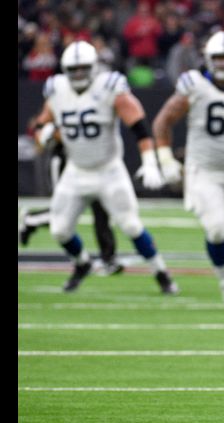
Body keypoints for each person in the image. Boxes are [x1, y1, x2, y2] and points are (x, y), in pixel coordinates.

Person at [33, 40, 178, 293]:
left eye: (83, 68)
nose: (78, 74)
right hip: (76, 171)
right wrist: (43, 134)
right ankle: (82, 263)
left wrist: (149, 161)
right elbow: (42, 124)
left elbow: (139, 125)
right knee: (59, 230)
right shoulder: (56, 90)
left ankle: (161, 272)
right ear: (65, 70)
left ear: (94, 67)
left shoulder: (110, 87)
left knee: (131, 225)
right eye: (73, 69)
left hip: (108, 170)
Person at [152, 31, 224, 309]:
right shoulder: (193, 84)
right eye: (220, 58)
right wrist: (165, 159)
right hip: (204, 170)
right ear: (208, 59)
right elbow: (162, 122)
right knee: (216, 230)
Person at [19, 124, 124, 276]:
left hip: (89, 163)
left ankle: (108, 259)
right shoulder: (59, 105)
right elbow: (41, 131)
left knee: (101, 208)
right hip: (65, 161)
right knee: (63, 212)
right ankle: (31, 220)